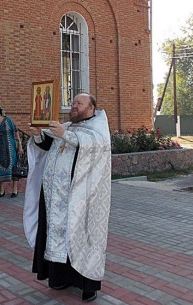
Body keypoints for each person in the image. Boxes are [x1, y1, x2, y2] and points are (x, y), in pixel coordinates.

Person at [23, 93, 111, 302]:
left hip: (81, 199)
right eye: (73, 103)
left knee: (82, 238)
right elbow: (48, 145)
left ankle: (87, 285)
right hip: (56, 197)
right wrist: (38, 134)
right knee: (58, 238)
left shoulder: (98, 128)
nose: (74, 106)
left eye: (79, 104)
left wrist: (65, 135)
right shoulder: (68, 126)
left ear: (91, 108)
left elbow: (94, 146)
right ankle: (60, 277)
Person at [0, 105, 24, 198]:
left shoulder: (8, 120)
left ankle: (15, 190)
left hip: (10, 147)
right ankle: (1, 191)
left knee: (13, 167)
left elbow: (16, 132)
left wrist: (20, 145)